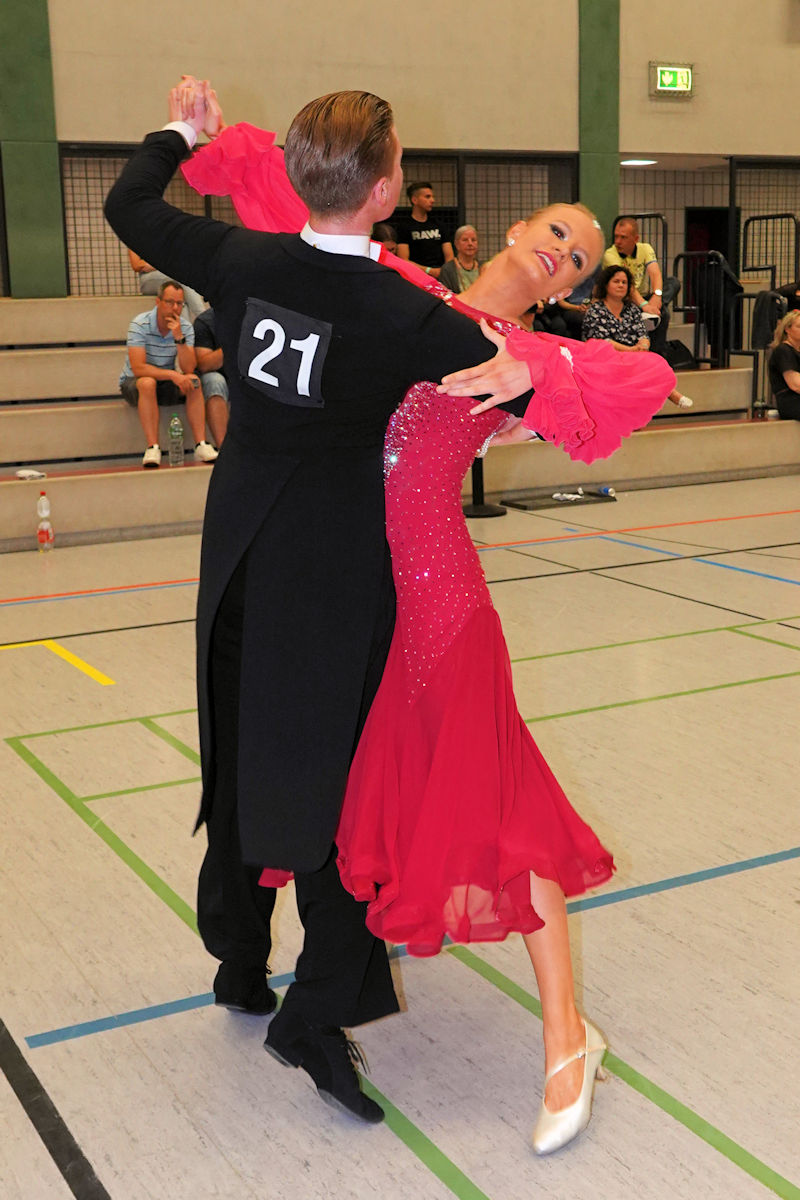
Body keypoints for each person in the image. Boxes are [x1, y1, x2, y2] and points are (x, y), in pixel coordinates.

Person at [182, 86, 676, 1154]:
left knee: (499, 801)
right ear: (513, 227)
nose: (562, 256)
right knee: (343, 792)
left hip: (437, 600)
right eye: (557, 232)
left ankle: (566, 1035)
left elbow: (644, 379)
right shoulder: (402, 292)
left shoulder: (518, 354)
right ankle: (282, 973)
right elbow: (292, 208)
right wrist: (204, 135)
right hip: (352, 595)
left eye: (581, 259)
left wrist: (539, 364)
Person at [105, 80, 541, 1128]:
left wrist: (185, 130)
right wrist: (522, 390)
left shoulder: (241, 259)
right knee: (340, 791)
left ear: (300, 176)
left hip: (237, 553)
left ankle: (237, 959)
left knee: (241, 745)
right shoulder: (404, 312)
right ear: (385, 191)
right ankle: (314, 1014)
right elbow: (517, 385)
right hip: (335, 574)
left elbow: (128, 203)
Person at [118, 280, 219, 467]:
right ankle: (153, 447)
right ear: (158, 302)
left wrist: (179, 338)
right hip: (135, 382)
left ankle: (201, 444)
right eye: (169, 302)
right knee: (147, 382)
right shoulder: (140, 324)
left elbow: (189, 368)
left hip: (165, 381)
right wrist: (173, 375)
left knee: (194, 381)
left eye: (179, 304)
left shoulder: (185, 327)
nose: (174, 308)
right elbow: (138, 368)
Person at [583, 266, 692, 408]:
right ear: (606, 285)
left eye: (624, 282)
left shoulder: (632, 309)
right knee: (638, 364)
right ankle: (673, 395)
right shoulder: (595, 310)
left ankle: (668, 395)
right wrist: (631, 350)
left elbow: (642, 334)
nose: (621, 285)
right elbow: (602, 341)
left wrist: (643, 345)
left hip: (633, 353)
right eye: (616, 281)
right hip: (606, 355)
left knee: (653, 360)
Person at [602, 216, 680, 356]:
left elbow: (655, 273)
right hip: (624, 299)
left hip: (644, 297)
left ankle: (652, 311)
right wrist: (644, 305)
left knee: (673, 282)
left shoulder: (645, 248)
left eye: (623, 237)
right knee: (663, 313)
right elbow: (627, 284)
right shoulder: (610, 254)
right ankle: (656, 354)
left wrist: (657, 296)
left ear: (635, 239)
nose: (618, 241)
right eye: (616, 236)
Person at [127, 247, 207, 321]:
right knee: (180, 276)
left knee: (180, 300)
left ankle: (185, 330)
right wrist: (164, 262)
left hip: (167, 276)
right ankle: (204, 318)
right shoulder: (136, 240)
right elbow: (136, 265)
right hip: (147, 280)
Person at [395, 181, 454, 279]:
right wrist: (429, 271)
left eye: (432, 197)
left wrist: (445, 272)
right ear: (414, 200)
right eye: (427, 197)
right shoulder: (404, 227)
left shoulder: (439, 225)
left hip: (441, 276)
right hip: (416, 277)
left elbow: (449, 256)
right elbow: (403, 260)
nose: (432, 200)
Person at [192, 307, 229, 448]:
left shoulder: (254, 317)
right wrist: (232, 344)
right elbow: (204, 364)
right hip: (219, 375)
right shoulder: (205, 322)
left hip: (245, 375)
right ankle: (224, 449)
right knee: (214, 381)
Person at [767, 309, 800, 419]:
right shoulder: (783, 350)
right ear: (787, 329)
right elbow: (795, 385)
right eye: (799, 326)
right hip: (791, 401)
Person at [438, 224, 480, 293]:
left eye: (473, 240)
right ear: (456, 244)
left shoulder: (483, 268)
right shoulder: (447, 269)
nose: (470, 243)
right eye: (465, 240)